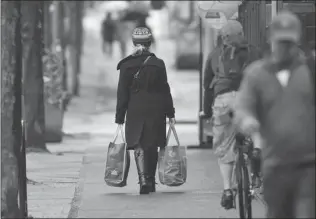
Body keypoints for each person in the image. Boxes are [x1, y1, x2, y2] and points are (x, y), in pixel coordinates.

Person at [234, 11, 315, 218]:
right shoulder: (257, 74)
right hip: (275, 164)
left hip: (309, 164)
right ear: (271, 41)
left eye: (289, 43)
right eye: (281, 42)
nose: (284, 48)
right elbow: (243, 105)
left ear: (297, 42)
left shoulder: (311, 71)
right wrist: (247, 120)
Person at [207, 20, 261, 209]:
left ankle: (228, 190)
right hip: (248, 99)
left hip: (223, 102)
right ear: (242, 33)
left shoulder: (215, 55)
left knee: (224, 146)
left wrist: (207, 112)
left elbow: (207, 85)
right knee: (256, 127)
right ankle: (257, 151)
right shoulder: (254, 52)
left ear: (223, 37)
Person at [115, 27, 176, 195]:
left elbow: (122, 93)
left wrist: (120, 116)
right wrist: (170, 113)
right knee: (152, 143)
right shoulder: (158, 64)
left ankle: (143, 180)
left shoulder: (126, 65)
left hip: (135, 108)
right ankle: (150, 179)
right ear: (150, 43)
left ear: (133, 43)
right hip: (156, 109)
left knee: (138, 143)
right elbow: (165, 90)